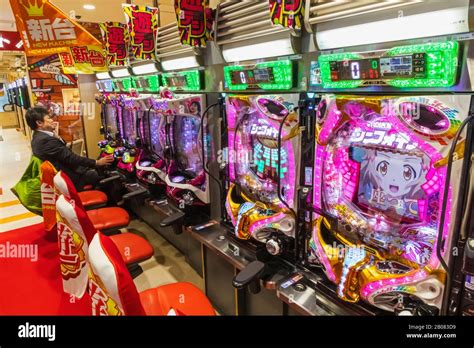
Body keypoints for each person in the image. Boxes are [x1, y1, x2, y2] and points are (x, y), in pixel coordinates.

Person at [25, 105, 114, 191]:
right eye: (48, 118)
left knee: (100, 169)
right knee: (108, 177)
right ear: (39, 123)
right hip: (71, 178)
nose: (52, 120)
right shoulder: (46, 140)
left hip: (63, 174)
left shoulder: (38, 137)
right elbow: (70, 158)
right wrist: (97, 162)